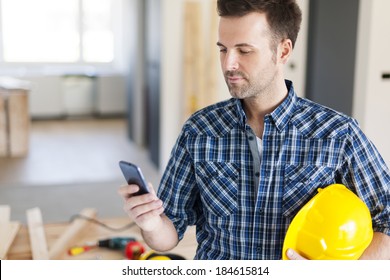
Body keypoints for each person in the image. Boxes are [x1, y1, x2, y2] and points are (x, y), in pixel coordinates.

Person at [119, 0, 390, 260]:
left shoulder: (338, 134)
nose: (228, 64)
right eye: (223, 49)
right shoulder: (199, 130)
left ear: (283, 51)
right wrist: (152, 222)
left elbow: (387, 219)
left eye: (244, 50)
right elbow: (168, 235)